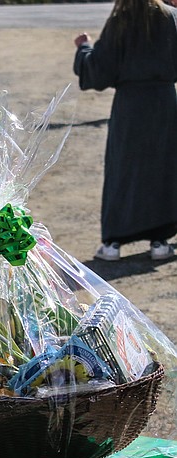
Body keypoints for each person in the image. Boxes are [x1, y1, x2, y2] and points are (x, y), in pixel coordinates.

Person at [74, 0, 177, 262]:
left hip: (130, 105)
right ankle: (159, 241)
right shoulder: (171, 18)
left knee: (123, 169)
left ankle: (113, 243)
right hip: (164, 102)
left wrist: (83, 48)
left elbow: (99, 71)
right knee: (161, 169)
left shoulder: (122, 19)